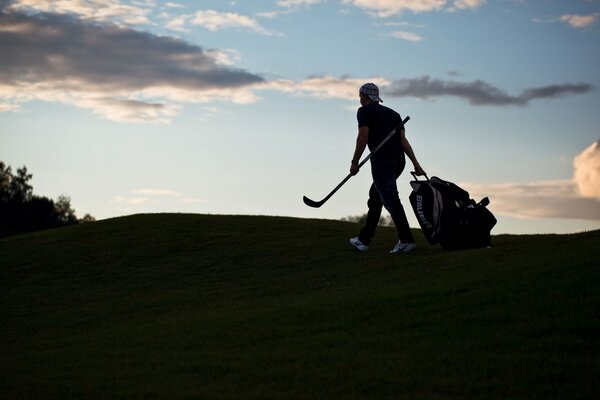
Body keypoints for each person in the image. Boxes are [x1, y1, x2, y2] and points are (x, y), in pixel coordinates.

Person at [349, 83, 426, 253]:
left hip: (382, 162)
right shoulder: (393, 114)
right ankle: (363, 240)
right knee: (375, 198)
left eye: (360, 95)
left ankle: (407, 240)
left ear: (365, 96)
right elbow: (403, 141)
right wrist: (416, 164)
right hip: (399, 161)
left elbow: (363, 136)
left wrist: (355, 162)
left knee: (391, 200)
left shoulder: (364, 111)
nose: (359, 98)